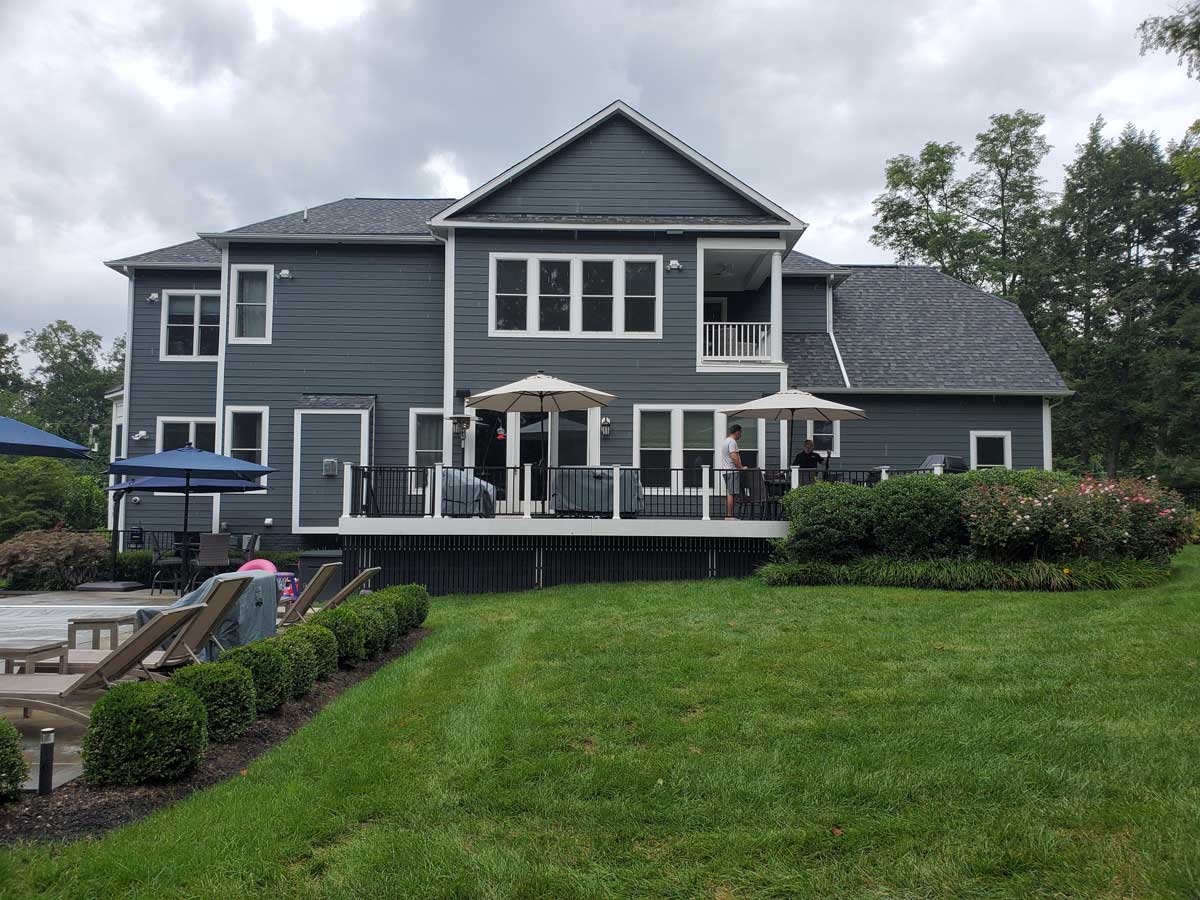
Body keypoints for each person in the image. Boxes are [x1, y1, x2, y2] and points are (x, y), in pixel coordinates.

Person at [720, 423, 745, 520]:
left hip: (726, 471)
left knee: (731, 493)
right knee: (732, 493)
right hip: (732, 471)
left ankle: (729, 515)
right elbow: (734, 456)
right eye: (741, 432)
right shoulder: (732, 442)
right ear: (737, 432)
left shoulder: (726, 441)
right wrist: (740, 468)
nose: (741, 435)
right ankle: (729, 516)